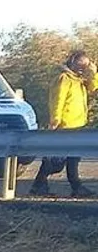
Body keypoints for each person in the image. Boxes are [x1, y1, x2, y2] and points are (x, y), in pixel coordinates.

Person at [31, 50, 97, 197]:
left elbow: (93, 88)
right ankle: (39, 185)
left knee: (74, 158)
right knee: (56, 161)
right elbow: (57, 101)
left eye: (85, 65)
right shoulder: (64, 78)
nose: (83, 68)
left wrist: (93, 73)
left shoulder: (79, 81)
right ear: (72, 62)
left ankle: (76, 186)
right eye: (81, 64)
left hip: (78, 124)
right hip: (65, 126)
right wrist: (55, 121)